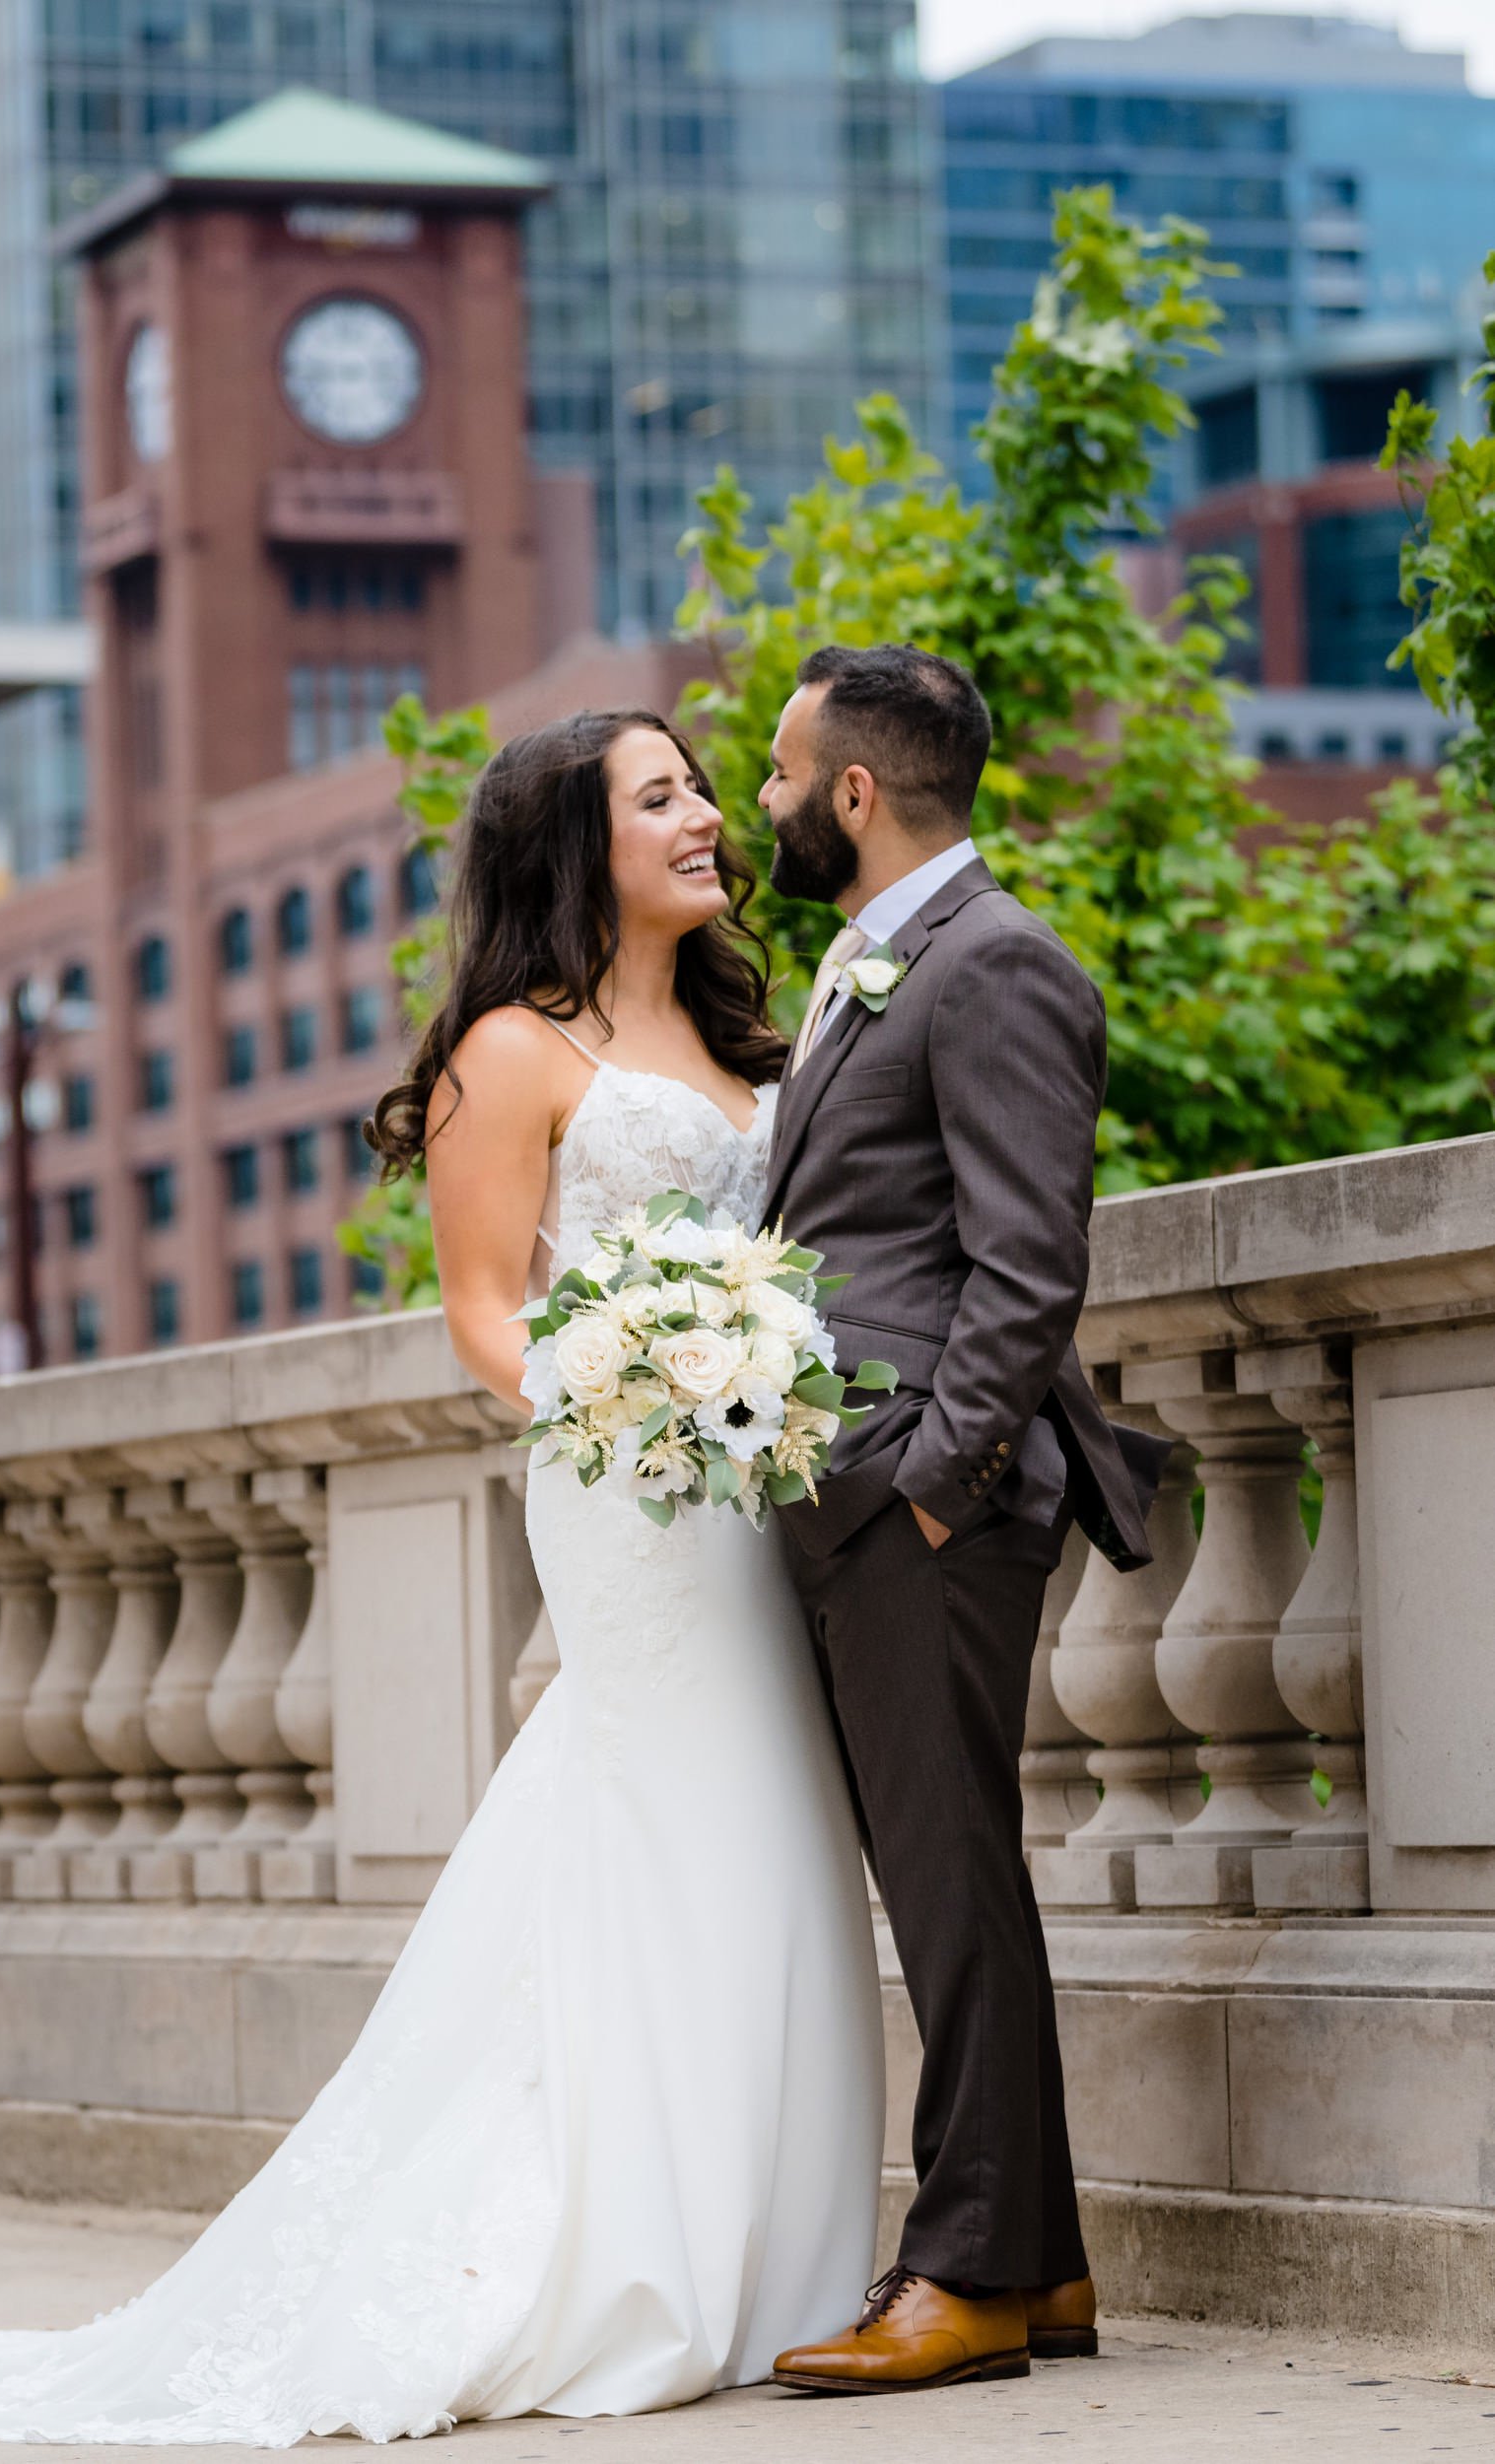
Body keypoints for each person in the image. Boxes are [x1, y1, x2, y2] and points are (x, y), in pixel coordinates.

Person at [0, 709, 885, 2444]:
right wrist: (637, 1375)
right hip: (630, 1489)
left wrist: (754, 1378)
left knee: (777, 1835)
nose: (706, 817)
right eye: (661, 798)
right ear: (579, 847)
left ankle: (768, 2254)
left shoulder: (744, 1035)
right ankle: (631, 2260)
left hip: (767, 1480)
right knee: (666, 1820)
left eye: (702, 787)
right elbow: (484, 1311)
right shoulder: (510, 1048)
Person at [758, 643, 1166, 2396]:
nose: (762, 802)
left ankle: (969, 2277)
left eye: (777, 775)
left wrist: (933, 1486)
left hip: (925, 1499)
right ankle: (1045, 2267)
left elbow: (1025, 1264)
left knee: (948, 1881)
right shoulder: (884, 958)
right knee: (950, 1879)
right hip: (862, 1490)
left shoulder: (995, 964)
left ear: (854, 793)